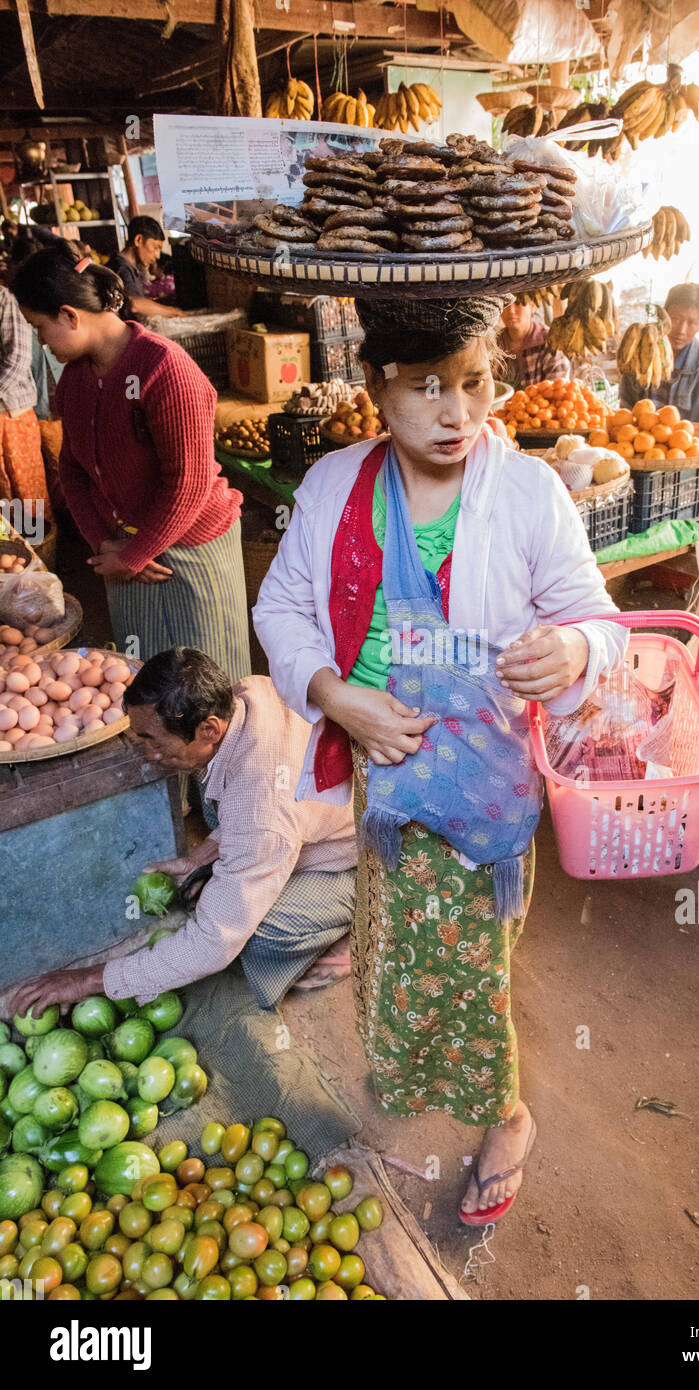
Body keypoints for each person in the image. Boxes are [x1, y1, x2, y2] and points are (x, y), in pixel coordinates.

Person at [253, 294, 627, 1224]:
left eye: (475, 383)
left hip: (484, 780)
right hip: (385, 770)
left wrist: (575, 650)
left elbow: (595, 615)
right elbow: (283, 607)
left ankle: (505, 1116)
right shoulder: (339, 483)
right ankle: (410, 1061)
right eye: (428, 387)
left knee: (471, 963)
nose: (458, 412)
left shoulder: (528, 492)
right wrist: (337, 698)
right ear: (379, 387)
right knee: (391, 940)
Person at [7, 648, 358, 1017]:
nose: (148, 753)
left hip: (352, 856)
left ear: (209, 728)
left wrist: (89, 980)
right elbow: (254, 813)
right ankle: (257, 869)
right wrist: (202, 856)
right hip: (300, 813)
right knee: (211, 799)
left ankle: (352, 924)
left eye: (153, 740)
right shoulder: (246, 696)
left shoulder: (263, 811)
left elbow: (213, 943)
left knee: (261, 932)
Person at [11, 244, 250, 681]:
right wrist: (106, 543)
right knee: (147, 678)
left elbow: (189, 482)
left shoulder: (164, 369)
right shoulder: (76, 381)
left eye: (40, 328)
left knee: (211, 683)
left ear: (70, 315)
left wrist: (138, 552)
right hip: (123, 550)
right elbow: (74, 471)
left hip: (192, 545)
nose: (41, 342)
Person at [620, 283, 699, 426]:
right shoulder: (639, 354)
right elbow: (625, 411)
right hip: (638, 443)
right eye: (675, 319)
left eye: (691, 322)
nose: (681, 330)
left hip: (682, 446)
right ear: (664, 315)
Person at [0, 283, 52, 517]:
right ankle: (9, 550)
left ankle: (39, 551)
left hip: (12, 413)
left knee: (26, 493)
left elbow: (18, 358)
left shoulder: (4, 299)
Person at [108, 215, 186, 320]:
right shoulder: (121, 268)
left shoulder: (129, 267)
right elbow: (134, 304)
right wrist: (173, 311)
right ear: (138, 240)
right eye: (155, 247)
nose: (158, 255)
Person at [498, 298, 570, 390]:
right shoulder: (493, 344)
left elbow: (558, 391)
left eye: (518, 302)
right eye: (506, 303)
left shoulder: (551, 342)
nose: (511, 310)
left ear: (532, 306)